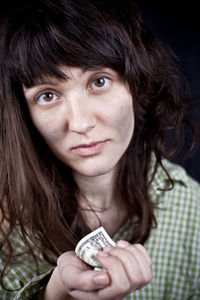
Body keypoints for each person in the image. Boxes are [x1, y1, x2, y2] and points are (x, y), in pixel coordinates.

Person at [0, 0, 199, 299]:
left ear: (136, 84)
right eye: (48, 95)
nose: (80, 123)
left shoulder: (192, 211)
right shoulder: (7, 226)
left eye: (99, 81)